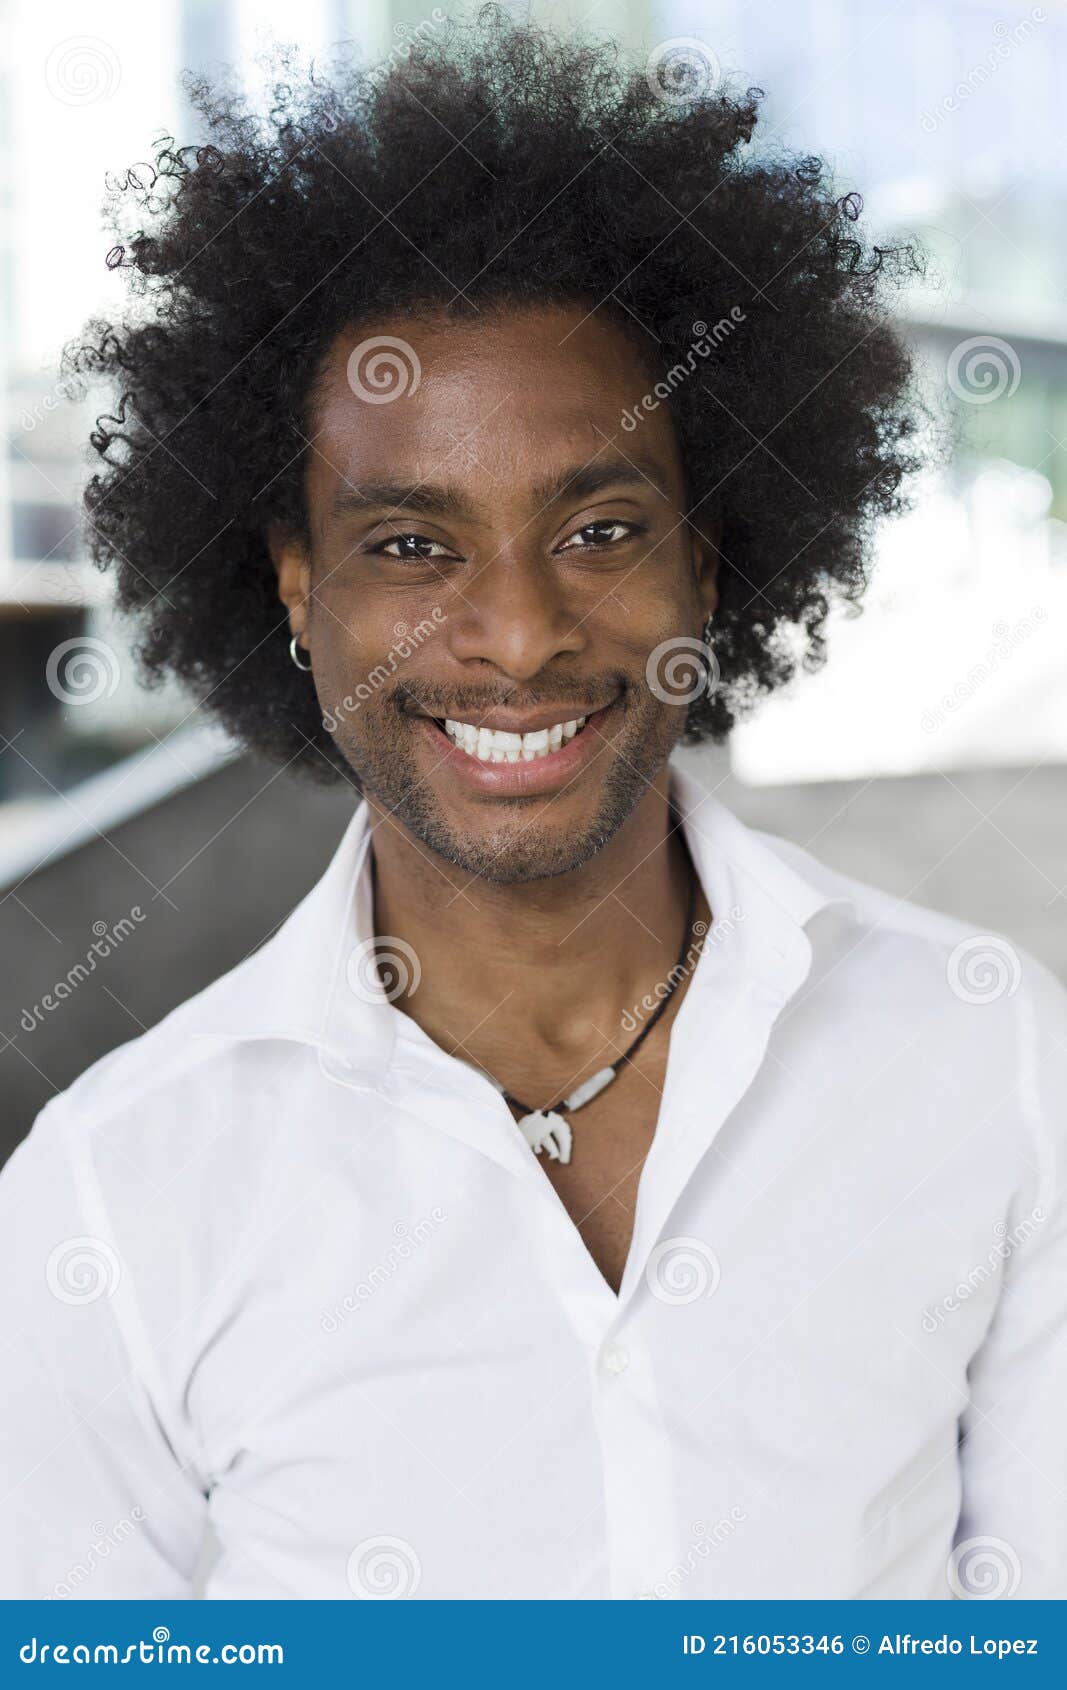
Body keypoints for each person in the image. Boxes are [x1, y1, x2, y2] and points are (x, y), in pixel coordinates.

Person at [1, 12, 1064, 1602]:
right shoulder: (111, 1194)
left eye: (603, 526)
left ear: (710, 556)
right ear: (299, 592)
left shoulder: (994, 1057)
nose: (515, 635)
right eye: (412, 546)